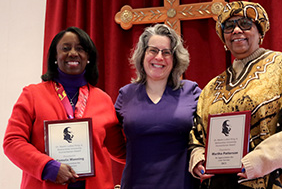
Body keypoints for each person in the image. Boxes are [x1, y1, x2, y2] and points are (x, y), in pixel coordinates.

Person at [188, 1, 282, 189]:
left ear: (260, 32)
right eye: (229, 26)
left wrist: (258, 161)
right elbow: (198, 135)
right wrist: (199, 159)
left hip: (278, 181)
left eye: (245, 24)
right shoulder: (212, 87)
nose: (236, 30)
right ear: (223, 37)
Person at [3, 26, 126, 189]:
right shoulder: (32, 95)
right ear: (55, 55)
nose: (73, 53)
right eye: (66, 48)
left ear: (88, 57)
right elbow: (12, 142)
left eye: (80, 49)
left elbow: (120, 150)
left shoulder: (103, 99)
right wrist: (46, 166)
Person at [114, 24, 201, 189]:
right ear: (142, 55)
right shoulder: (125, 95)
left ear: (175, 59)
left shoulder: (192, 91)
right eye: (153, 50)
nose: (159, 57)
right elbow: (114, 143)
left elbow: (205, 137)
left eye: (166, 52)